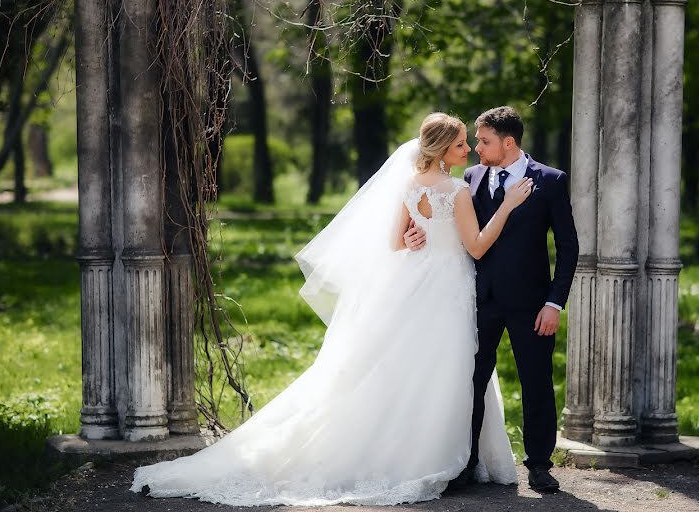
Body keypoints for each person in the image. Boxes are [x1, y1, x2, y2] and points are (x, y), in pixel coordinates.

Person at [129, 113, 528, 506]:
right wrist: (507, 205)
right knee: (446, 370)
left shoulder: (410, 185)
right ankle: (432, 457)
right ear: (443, 149)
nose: (468, 150)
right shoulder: (457, 191)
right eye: (461, 143)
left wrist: (411, 237)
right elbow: (475, 246)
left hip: (415, 283)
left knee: (408, 370)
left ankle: (409, 451)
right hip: (445, 288)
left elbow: (394, 243)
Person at [404, 106, 579, 493]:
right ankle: (464, 462)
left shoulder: (549, 181)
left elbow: (568, 247)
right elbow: (452, 231)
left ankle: (538, 465)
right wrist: (411, 238)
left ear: (508, 142)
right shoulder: (471, 177)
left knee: (536, 382)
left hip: (532, 304)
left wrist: (555, 303)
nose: (476, 149)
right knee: (470, 381)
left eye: (483, 142)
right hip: (475, 298)